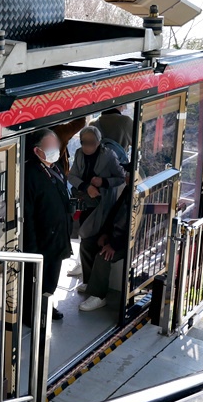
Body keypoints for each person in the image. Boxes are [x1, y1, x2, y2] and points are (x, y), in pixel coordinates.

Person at [22, 128, 72, 326]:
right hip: (41, 240)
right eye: (51, 147)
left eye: (56, 146)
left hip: (59, 236)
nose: (56, 150)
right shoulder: (31, 174)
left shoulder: (56, 167)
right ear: (37, 151)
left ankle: (47, 305)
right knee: (36, 281)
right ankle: (31, 314)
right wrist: (32, 248)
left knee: (52, 278)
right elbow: (28, 214)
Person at [67, 126, 126, 293]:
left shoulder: (108, 155)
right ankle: (87, 281)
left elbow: (120, 177)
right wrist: (86, 187)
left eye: (91, 143)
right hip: (84, 201)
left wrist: (103, 182)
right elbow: (72, 176)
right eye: (84, 142)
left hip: (102, 205)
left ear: (98, 142)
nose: (87, 146)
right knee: (86, 241)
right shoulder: (79, 154)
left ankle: (94, 285)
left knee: (90, 238)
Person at [79, 179, 131, 311]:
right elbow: (113, 214)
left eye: (128, 174)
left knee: (103, 256)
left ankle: (99, 296)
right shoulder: (127, 190)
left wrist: (113, 245)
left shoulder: (139, 197)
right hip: (114, 236)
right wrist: (105, 234)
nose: (126, 177)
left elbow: (133, 229)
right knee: (87, 243)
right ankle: (90, 282)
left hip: (126, 242)